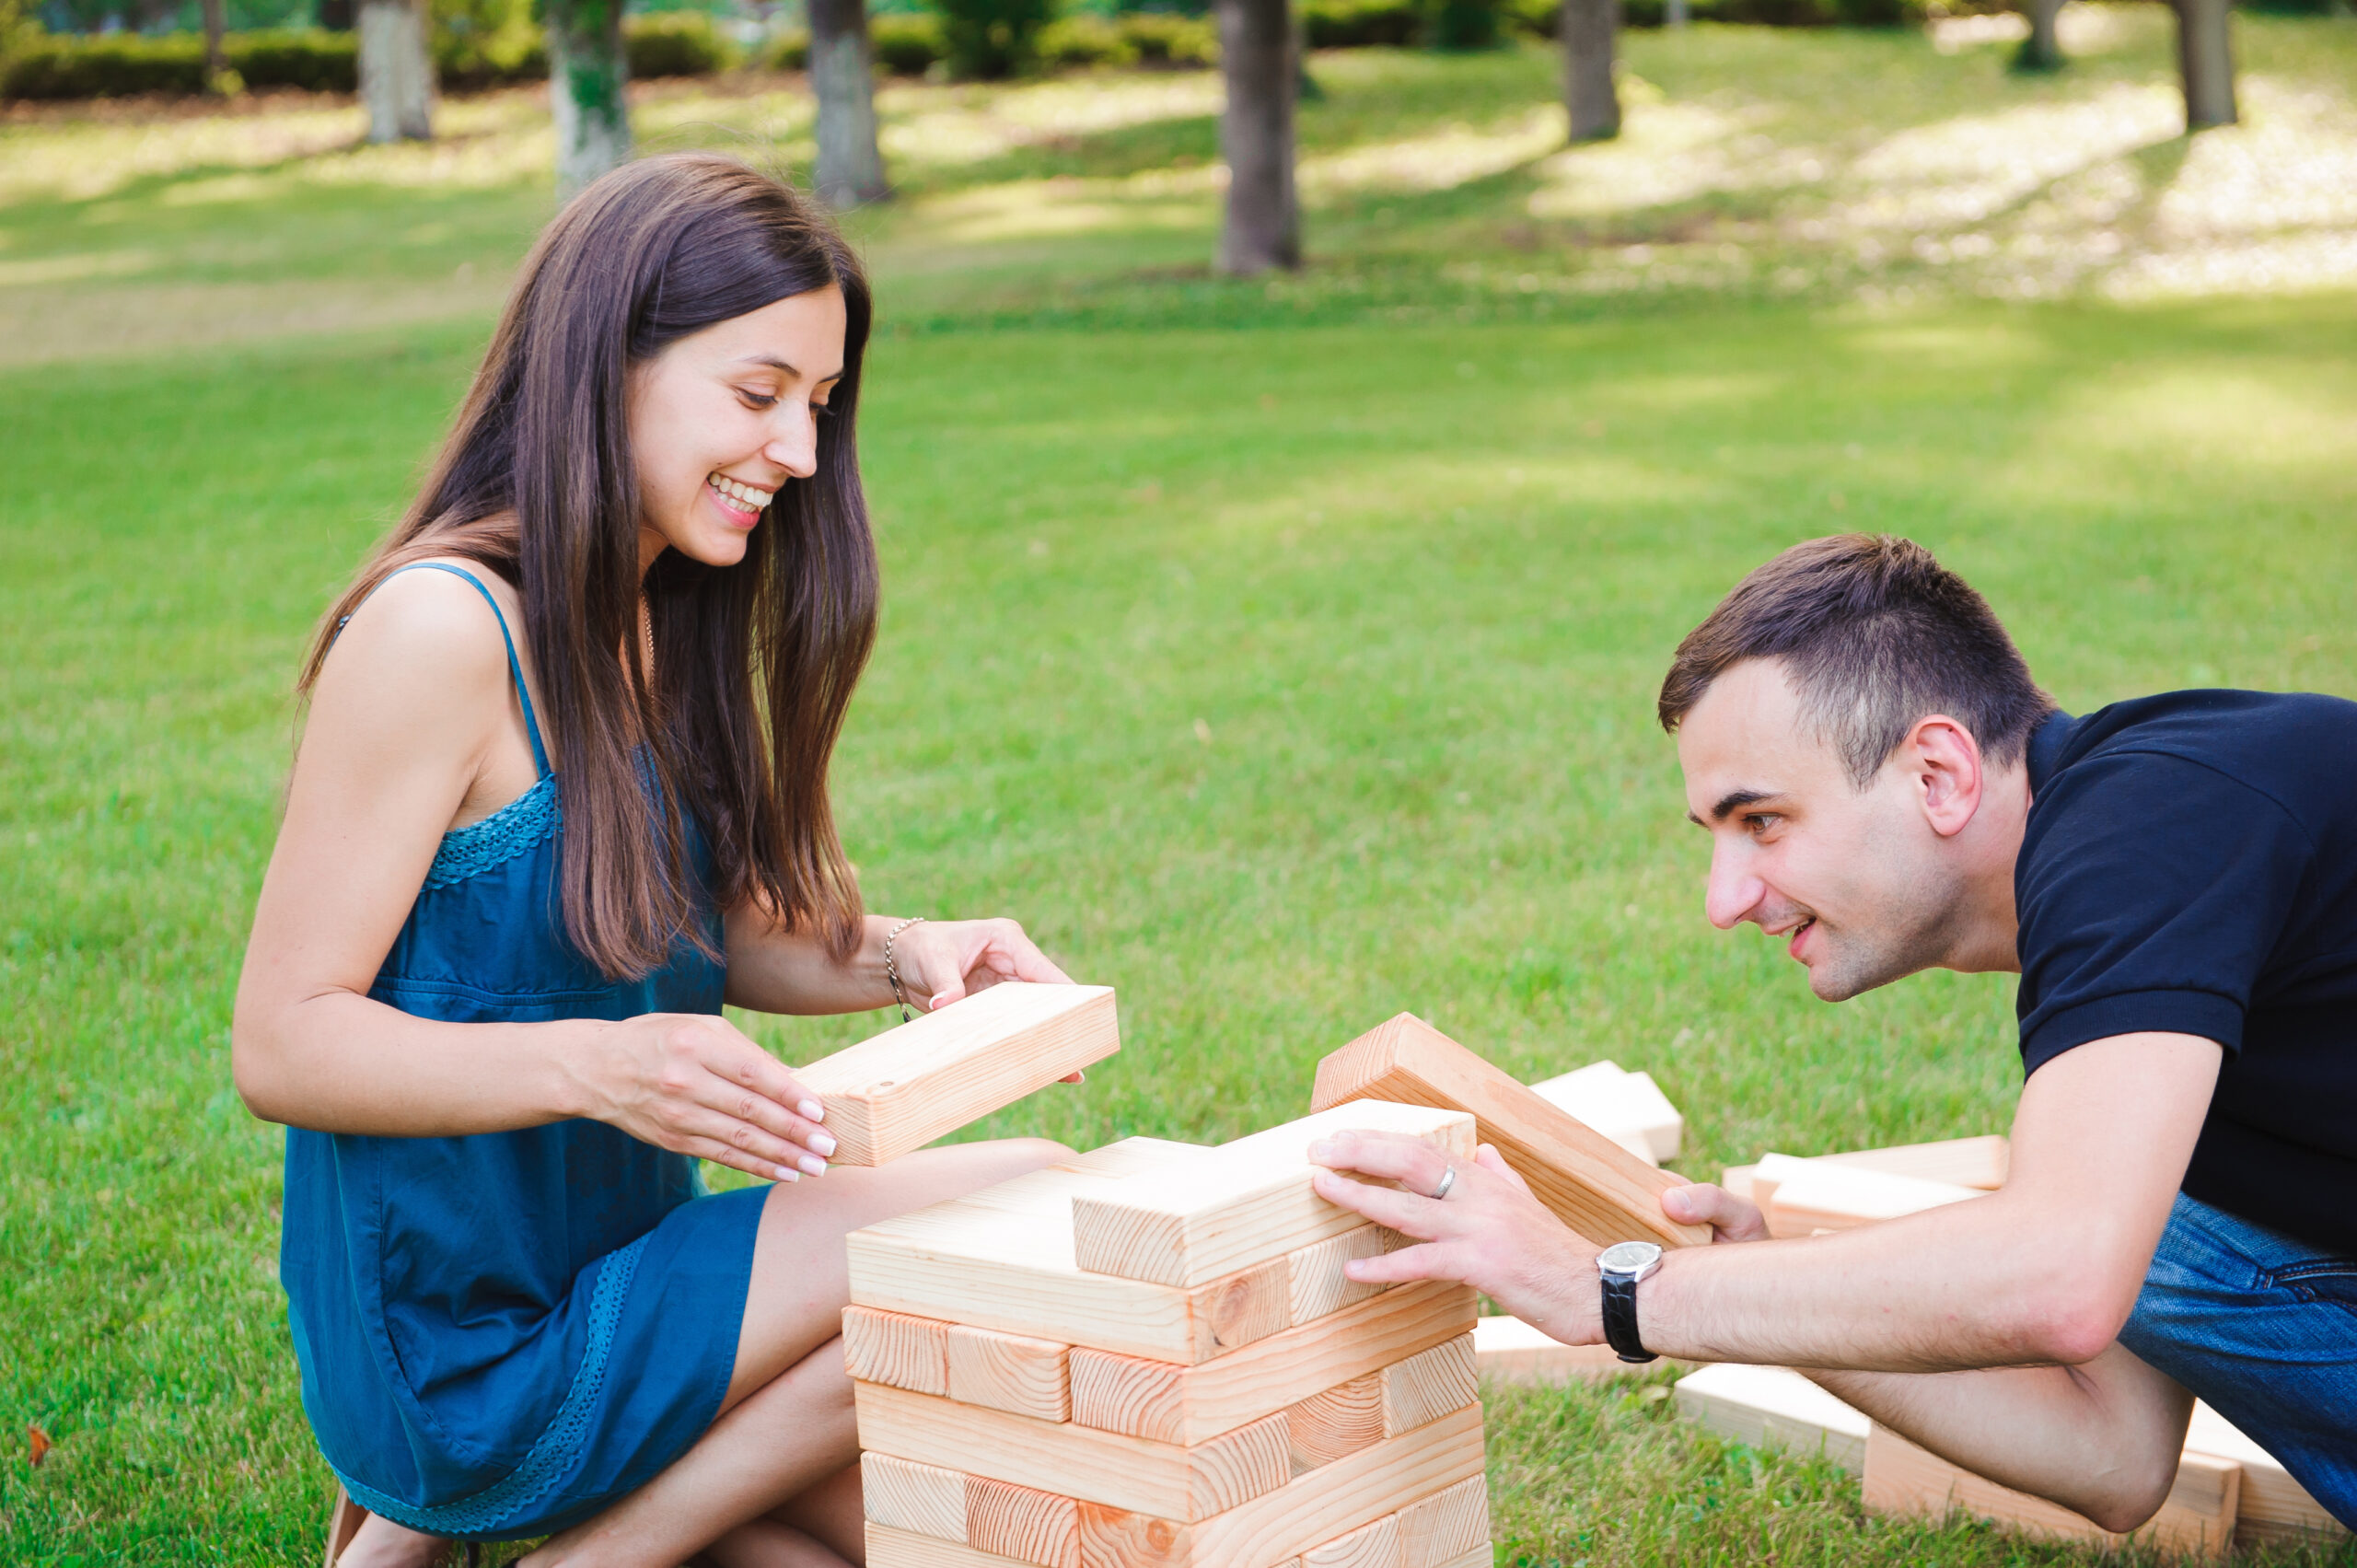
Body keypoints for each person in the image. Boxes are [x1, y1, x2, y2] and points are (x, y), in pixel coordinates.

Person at [232, 153, 1081, 1568]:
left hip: (614, 1282)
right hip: (468, 1352)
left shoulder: (654, 610)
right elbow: (283, 1039)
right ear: (600, 365)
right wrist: (603, 1066)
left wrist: (901, 952)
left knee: (893, 1535)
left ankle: (453, 1541)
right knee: (1028, 1186)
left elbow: (691, 923)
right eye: (757, 396)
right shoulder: (440, 632)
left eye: (817, 407)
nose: (801, 455)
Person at [1309, 534, 2357, 1532]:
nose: (1725, 898)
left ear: (1937, 774)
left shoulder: (2155, 825)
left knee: (2129, 1233)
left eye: (1760, 820)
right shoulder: (2140, 895)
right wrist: (1765, 1282)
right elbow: (2112, 1457)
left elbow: (2061, 1276)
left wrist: (1614, 1293)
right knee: (2148, 1222)